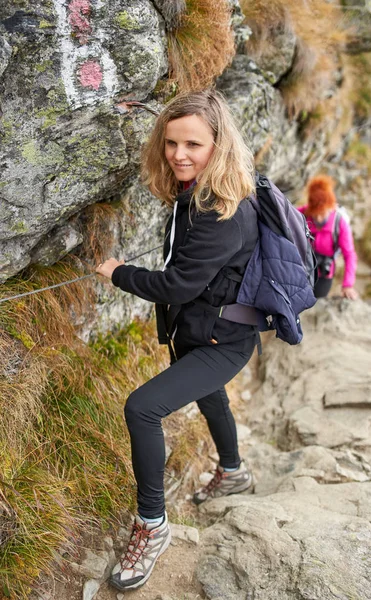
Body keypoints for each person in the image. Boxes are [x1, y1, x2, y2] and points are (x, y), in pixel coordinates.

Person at [96, 89, 259, 591]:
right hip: (204, 332)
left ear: (219, 145)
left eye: (193, 143)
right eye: (170, 142)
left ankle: (152, 524)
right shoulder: (204, 192)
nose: (179, 154)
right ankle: (233, 472)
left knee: (142, 408)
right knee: (211, 399)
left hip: (223, 341)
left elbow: (176, 285)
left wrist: (120, 272)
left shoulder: (220, 212)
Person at [297, 175, 358, 300]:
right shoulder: (302, 215)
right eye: (315, 213)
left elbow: (349, 254)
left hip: (324, 274)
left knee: (317, 302)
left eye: (322, 213)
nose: (318, 218)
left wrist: (348, 285)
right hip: (301, 270)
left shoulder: (339, 223)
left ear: (330, 206)